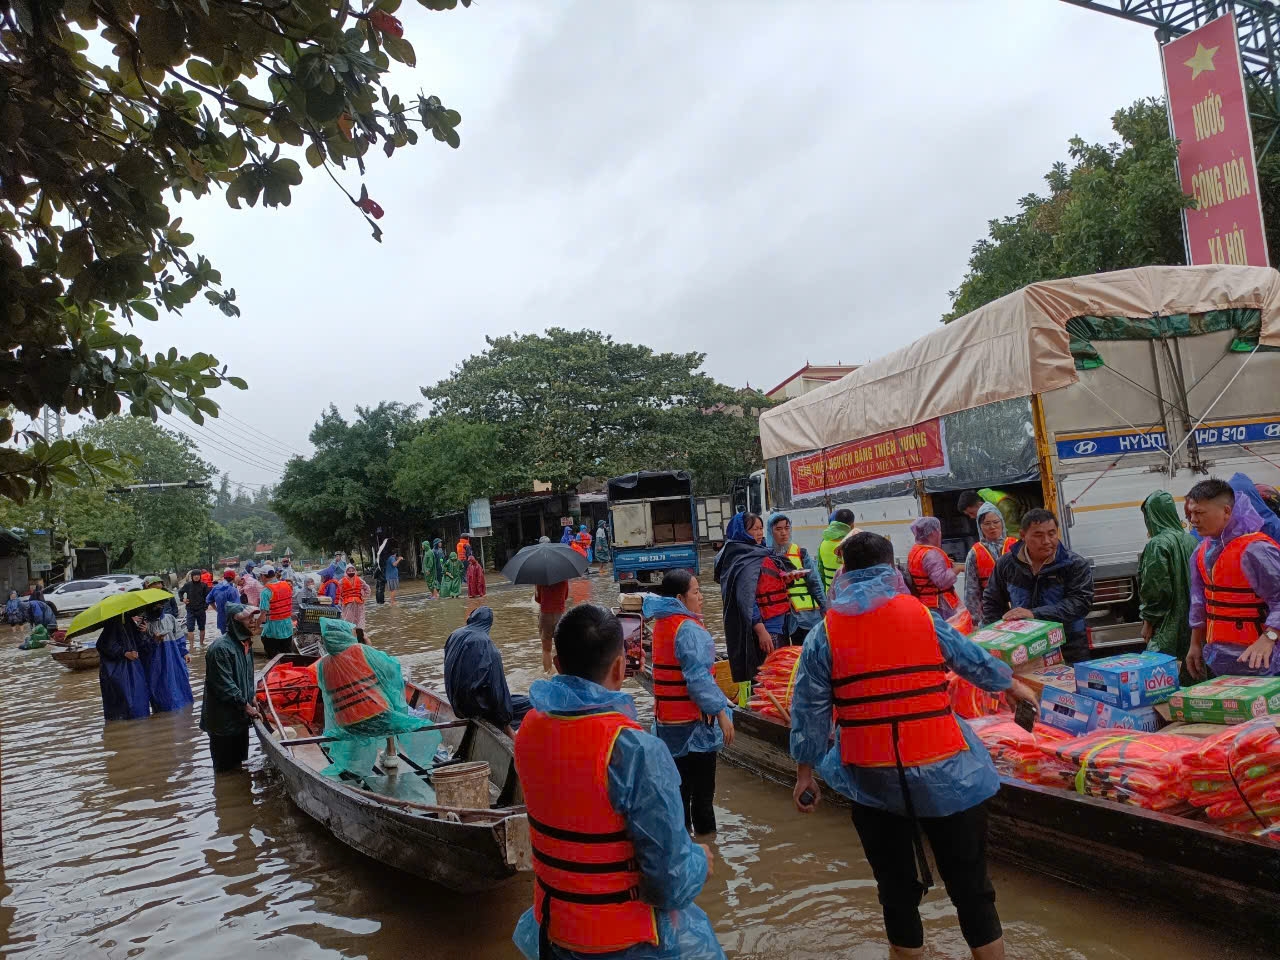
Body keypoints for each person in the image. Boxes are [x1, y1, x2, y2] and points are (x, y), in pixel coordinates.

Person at [790, 532, 1036, 960]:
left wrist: (805, 774)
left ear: (843, 572)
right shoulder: (923, 617)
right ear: (893, 569)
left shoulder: (823, 634)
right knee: (972, 888)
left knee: (896, 892)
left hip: (871, 779)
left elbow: (809, 709)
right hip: (948, 773)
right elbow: (971, 660)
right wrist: (1012, 686)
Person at [511, 605, 723, 960]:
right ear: (620, 668)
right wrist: (699, 860)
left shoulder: (528, 729)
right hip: (623, 943)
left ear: (559, 666)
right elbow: (669, 882)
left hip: (555, 931)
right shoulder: (634, 749)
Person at [645, 570, 734, 835]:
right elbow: (699, 681)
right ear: (679, 598)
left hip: (668, 724)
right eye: (695, 592)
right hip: (693, 725)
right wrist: (720, 712)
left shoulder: (662, 623)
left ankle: (684, 851)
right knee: (703, 799)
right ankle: (709, 852)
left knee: (680, 795)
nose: (701, 597)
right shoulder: (689, 629)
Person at [1185, 478, 1280, 678]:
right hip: (1218, 660)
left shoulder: (1256, 550)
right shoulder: (1201, 552)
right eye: (1191, 513)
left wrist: (1269, 637)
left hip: (1264, 661)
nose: (1193, 520)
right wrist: (1195, 644)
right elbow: (1199, 602)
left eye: (1200, 513)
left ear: (1227, 511)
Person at [982, 509, 1094, 663]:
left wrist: (1034, 614)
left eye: (1052, 533)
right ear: (1022, 535)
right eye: (1038, 535)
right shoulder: (1006, 564)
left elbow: (1080, 603)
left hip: (1069, 647)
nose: (1047, 541)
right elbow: (992, 602)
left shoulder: (1074, 564)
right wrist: (997, 640)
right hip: (1022, 649)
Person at [1138, 491, 1199, 676]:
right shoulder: (1191, 539)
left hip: (1168, 624)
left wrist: (1148, 622)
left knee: (1163, 679)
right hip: (1194, 622)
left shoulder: (1157, 544)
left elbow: (1157, 590)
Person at [444, 606, 530, 736]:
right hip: (476, 709)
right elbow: (498, 689)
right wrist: (506, 724)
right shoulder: (488, 646)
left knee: (516, 700)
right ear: (489, 624)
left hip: (457, 704)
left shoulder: (454, 635)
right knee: (530, 703)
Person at [200, 603, 260, 772]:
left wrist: (252, 696)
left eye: (253, 618)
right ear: (235, 623)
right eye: (248, 619)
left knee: (240, 765)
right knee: (225, 770)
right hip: (223, 720)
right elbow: (225, 686)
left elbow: (247, 676)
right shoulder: (220, 649)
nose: (253, 622)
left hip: (240, 716)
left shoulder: (246, 645)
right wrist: (246, 705)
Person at [768, 512, 827, 645]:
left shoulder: (801, 553)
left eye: (787, 528)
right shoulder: (766, 556)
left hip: (808, 616)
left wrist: (825, 608)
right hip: (782, 619)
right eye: (778, 529)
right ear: (770, 531)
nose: (784, 533)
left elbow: (815, 582)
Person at [142, 599, 194, 713]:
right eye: (156, 605)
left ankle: (183, 715)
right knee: (162, 692)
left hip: (173, 658)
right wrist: (152, 637)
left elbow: (179, 636)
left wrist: (184, 652)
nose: (159, 607)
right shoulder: (144, 623)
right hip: (155, 662)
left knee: (180, 687)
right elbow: (143, 647)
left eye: (160, 604)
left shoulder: (169, 618)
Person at [97, 614, 152, 722]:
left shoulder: (128, 623)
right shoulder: (112, 626)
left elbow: (141, 644)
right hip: (119, 673)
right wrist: (124, 653)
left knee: (137, 708)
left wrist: (145, 632)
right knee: (124, 710)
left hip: (134, 670)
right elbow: (103, 645)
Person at [963, 504, 1007, 627]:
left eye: (996, 522)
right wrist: (975, 621)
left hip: (1016, 609)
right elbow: (971, 590)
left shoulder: (1015, 546)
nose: (992, 527)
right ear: (979, 526)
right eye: (987, 524)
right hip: (989, 613)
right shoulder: (974, 553)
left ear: (1002, 522)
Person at [907, 516, 960, 619]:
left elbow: (924, 570)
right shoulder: (932, 555)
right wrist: (958, 569)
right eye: (938, 530)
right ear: (932, 533)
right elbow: (942, 581)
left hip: (925, 602)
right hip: (939, 605)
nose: (940, 533)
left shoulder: (916, 550)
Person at [258, 566, 296, 657]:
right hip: (288, 627)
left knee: (273, 658)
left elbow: (263, 615)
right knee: (287, 656)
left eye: (260, 576)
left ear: (263, 576)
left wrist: (255, 626)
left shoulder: (266, 592)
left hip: (273, 630)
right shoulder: (287, 585)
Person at [535, 578, 570, 674]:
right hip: (560, 614)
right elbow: (565, 596)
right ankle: (564, 673)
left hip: (545, 614)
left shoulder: (540, 577)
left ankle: (548, 675)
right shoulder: (564, 577)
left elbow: (537, 599)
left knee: (546, 649)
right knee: (562, 647)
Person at [818, 508, 858, 592]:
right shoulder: (853, 543)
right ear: (852, 525)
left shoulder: (823, 543)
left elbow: (820, 572)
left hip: (830, 594)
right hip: (849, 594)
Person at [338, 564, 372, 640]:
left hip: (359, 604)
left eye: (352, 570)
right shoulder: (341, 581)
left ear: (355, 571)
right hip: (348, 605)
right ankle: (352, 639)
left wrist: (364, 597)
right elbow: (338, 593)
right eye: (349, 571)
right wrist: (340, 601)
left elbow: (368, 589)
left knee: (359, 623)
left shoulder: (359, 580)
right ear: (346, 572)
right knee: (349, 623)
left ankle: (360, 639)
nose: (351, 572)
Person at [179, 568, 210, 648]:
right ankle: (191, 646)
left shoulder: (204, 585)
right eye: (194, 575)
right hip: (190, 610)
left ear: (200, 576)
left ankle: (201, 644)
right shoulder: (187, 585)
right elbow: (180, 592)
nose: (196, 577)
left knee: (202, 628)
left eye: (198, 575)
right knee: (190, 629)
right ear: (192, 576)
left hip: (201, 610)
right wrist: (183, 599)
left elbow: (208, 597)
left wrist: (205, 607)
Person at [208, 568, 240, 636]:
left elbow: (209, 600)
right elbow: (237, 607)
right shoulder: (233, 590)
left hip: (221, 618)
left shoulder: (216, 588)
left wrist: (216, 609)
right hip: (231, 619)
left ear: (224, 577)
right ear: (233, 578)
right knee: (232, 638)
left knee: (224, 637)